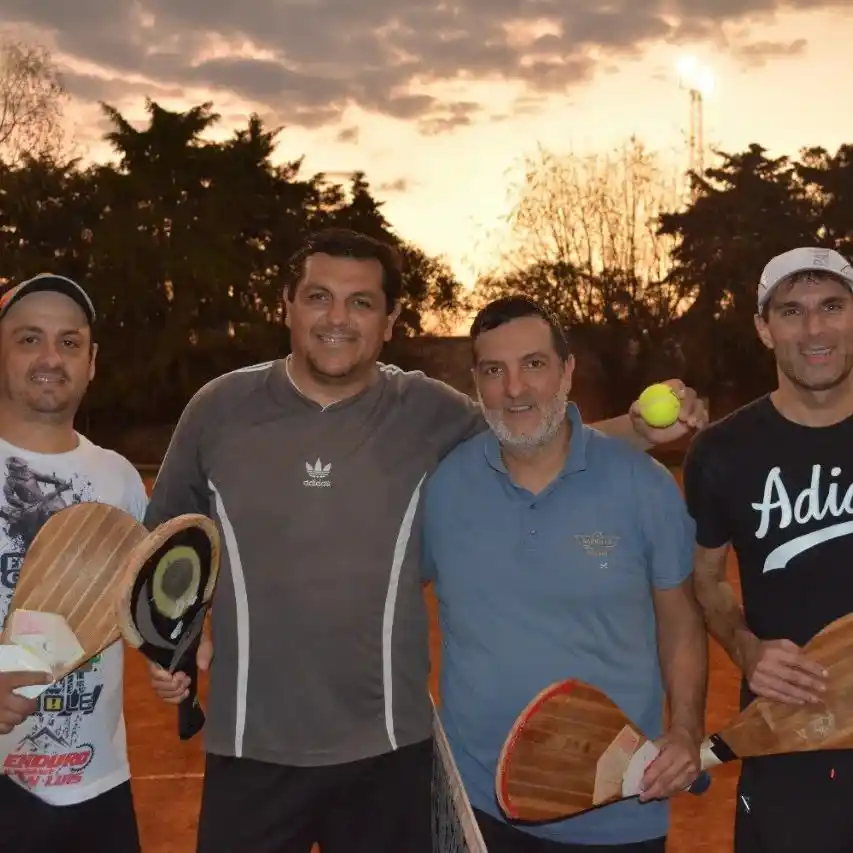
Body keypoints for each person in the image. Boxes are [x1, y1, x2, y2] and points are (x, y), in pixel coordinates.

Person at [144, 227, 709, 853]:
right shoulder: (218, 409)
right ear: (287, 306)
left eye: (361, 302)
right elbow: (166, 544)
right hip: (249, 748)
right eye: (318, 297)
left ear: (390, 321)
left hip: (388, 757)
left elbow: (530, 432)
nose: (338, 318)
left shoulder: (427, 410)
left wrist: (636, 430)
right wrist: (178, 636)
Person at [421, 295, 707, 852]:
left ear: (567, 372)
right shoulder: (445, 486)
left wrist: (686, 729)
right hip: (477, 808)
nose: (515, 388)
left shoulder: (644, 485)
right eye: (494, 371)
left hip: (617, 808)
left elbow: (681, 622)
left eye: (534, 364)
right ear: (476, 383)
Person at [683, 246, 853, 853]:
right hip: (787, 732)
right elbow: (706, 579)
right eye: (791, 311)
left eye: (832, 306)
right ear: (764, 328)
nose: (815, 330)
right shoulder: (722, 452)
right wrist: (747, 649)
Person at [0, 273, 148, 853]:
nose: (50, 358)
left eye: (69, 342)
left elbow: (135, 610)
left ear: (91, 362)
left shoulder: (119, 479)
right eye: (28, 338)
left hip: (97, 785)